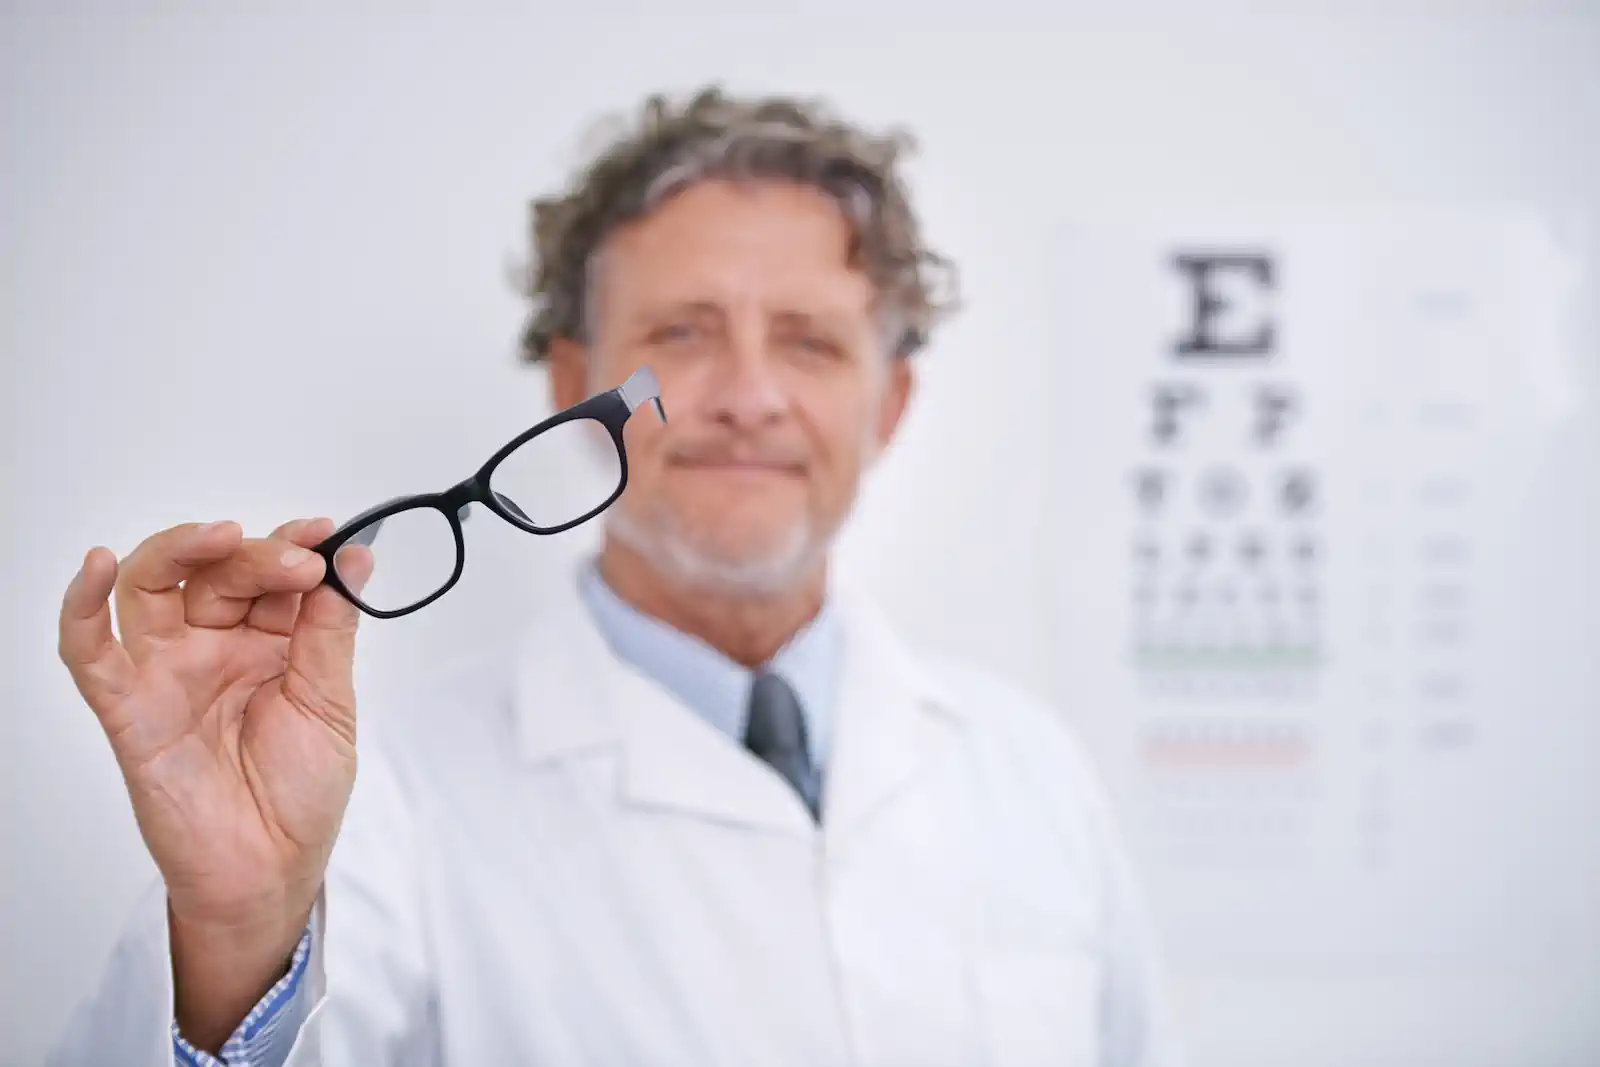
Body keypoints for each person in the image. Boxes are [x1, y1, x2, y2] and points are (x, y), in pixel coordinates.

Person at [49, 85, 1181, 1067]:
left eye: (810, 340)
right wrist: (237, 927)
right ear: (573, 385)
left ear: (887, 404)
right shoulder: (388, 803)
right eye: (684, 332)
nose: (747, 393)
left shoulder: (1030, 775)